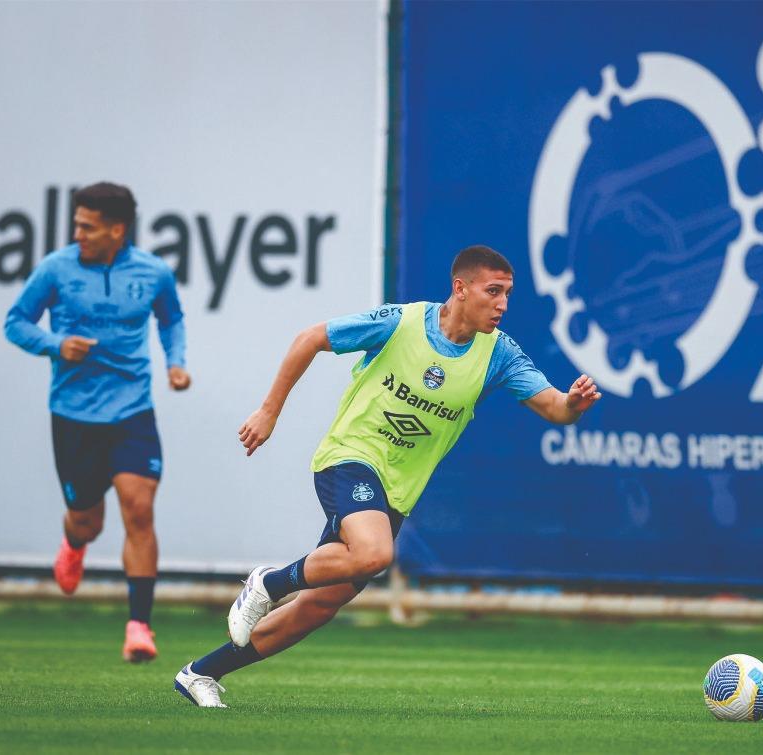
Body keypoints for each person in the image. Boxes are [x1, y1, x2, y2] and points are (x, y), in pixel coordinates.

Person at [174, 245, 600, 707]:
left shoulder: (498, 354)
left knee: (319, 605)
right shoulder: (402, 322)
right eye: (493, 291)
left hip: (396, 493)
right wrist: (269, 411)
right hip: (350, 457)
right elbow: (310, 338)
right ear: (460, 288)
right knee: (375, 553)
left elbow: (555, 407)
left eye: (508, 294)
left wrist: (573, 404)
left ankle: (201, 673)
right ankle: (269, 583)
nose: (503, 304)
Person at [5, 182, 191, 663]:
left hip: (132, 411)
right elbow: (16, 321)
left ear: (117, 229)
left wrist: (176, 361)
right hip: (73, 415)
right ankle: (74, 543)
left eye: (87, 226)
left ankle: (139, 626)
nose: (78, 233)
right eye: (76, 224)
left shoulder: (152, 273)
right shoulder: (56, 269)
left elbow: (171, 319)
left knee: (139, 509)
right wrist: (55, 344)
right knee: (89, 521)